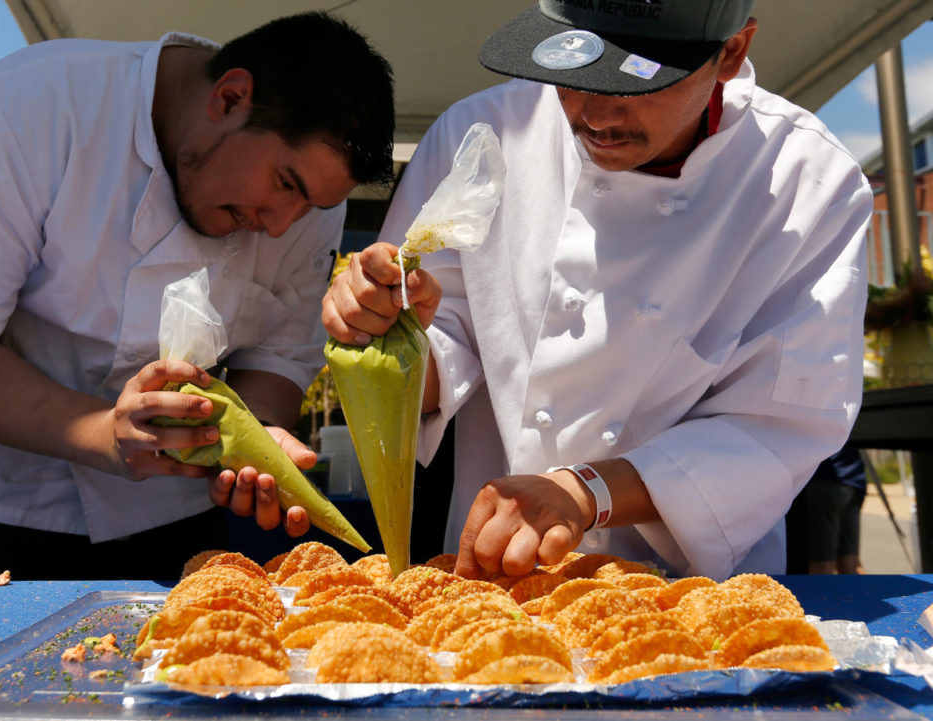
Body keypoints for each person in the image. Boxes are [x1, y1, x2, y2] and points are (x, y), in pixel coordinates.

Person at [321, 0, 873, 581]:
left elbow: (779, 423)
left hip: (692, 586)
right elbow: (439, 353)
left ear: (731, 52)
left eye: (636, 83)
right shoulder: (481, 133)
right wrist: (387, 329)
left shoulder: (807, 181)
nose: (596, 115)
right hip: (497, 566)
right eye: (574, 75)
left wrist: (584, 492)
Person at [0, 11, 395, 579]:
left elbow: (279, 358)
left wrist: (252, 440)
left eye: (310, 206)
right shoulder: (32, 105)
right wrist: (102, 431)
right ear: (231, 97)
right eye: (285, 184)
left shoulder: (307, 203)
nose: (283, 226)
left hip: (173, 523)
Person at [785, 446, 868, 574]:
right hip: (853, 477)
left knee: (821, 566)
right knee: (851, 564)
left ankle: (824, 595)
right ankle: (866, 593)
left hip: (824, 480)